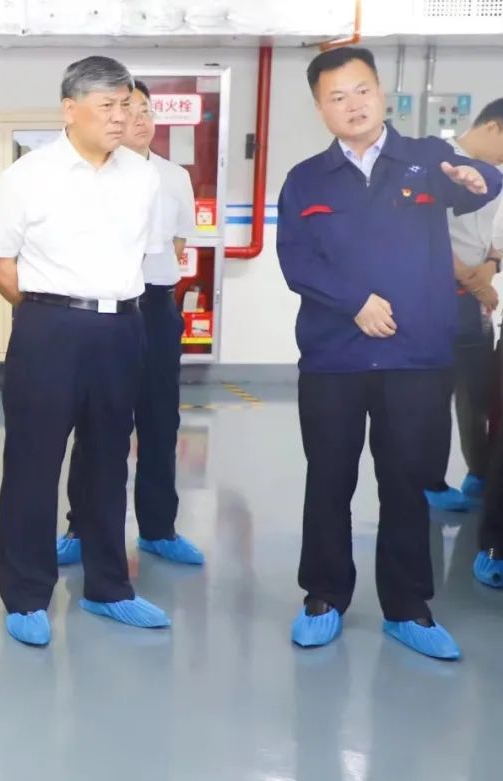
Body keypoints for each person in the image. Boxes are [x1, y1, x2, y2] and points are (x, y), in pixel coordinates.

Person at [276, 46, 501, 660]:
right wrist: (354, 303)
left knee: (405, 484)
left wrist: (480, 179)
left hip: (415, 359)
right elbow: (297, 261)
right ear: (320, 108)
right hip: (334, 359)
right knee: (329, 480)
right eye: (337, 97)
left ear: (381, 94)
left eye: (362, 90)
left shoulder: (426, 159)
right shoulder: (306, 179)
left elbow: (480, 180)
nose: (353, 105)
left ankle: (408, 608)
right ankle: (323, 596)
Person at [0, 55, 170, 647]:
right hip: (50, 328)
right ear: (70, 109)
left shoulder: (142, 177)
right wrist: (47, 309)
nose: (120, 118)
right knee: (34, 462)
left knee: (109, 460)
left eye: (127, 106)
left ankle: (109, 587)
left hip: (122, 327)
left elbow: (144, 254)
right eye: (107, 106)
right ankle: (26, 595)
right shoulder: (28, 175)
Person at [56, 78, 203, 568]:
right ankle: (82, 528)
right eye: (127, 109)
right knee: (98, 421)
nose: (138, 119)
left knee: (160, 420)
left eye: (145, 110)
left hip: (155, 307)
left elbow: (178, 244)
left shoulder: (174, 176)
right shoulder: (94, 172)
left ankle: (158, 529)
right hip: (104, 309)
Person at [423, 99, 503, 513]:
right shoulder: (438, 162)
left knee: (478, 393)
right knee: (433, 396)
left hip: (475, 298)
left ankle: (480, 473)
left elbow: (494, 233)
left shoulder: (495, 174)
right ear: (493, 127)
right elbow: (428, 234)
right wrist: (473, 283)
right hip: (438, 296)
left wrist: (489, 268)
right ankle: (431, 483)